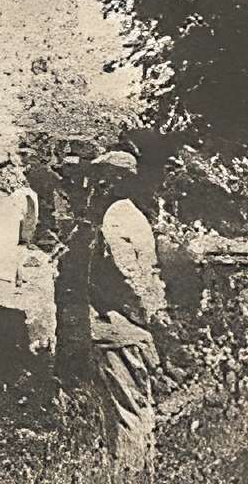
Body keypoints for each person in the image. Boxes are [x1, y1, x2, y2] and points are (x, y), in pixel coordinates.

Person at [85, 148, 181, 478]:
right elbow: (148, 277)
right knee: (138, 404)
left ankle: (129, 472)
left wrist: (137, 318)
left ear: (119, 179)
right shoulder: (133, 215)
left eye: (106, 176)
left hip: (120, 324)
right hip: (130, 323)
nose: (99, 182)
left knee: (126, 406)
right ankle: (142, 469)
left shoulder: (117, 216)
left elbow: (131, 275)